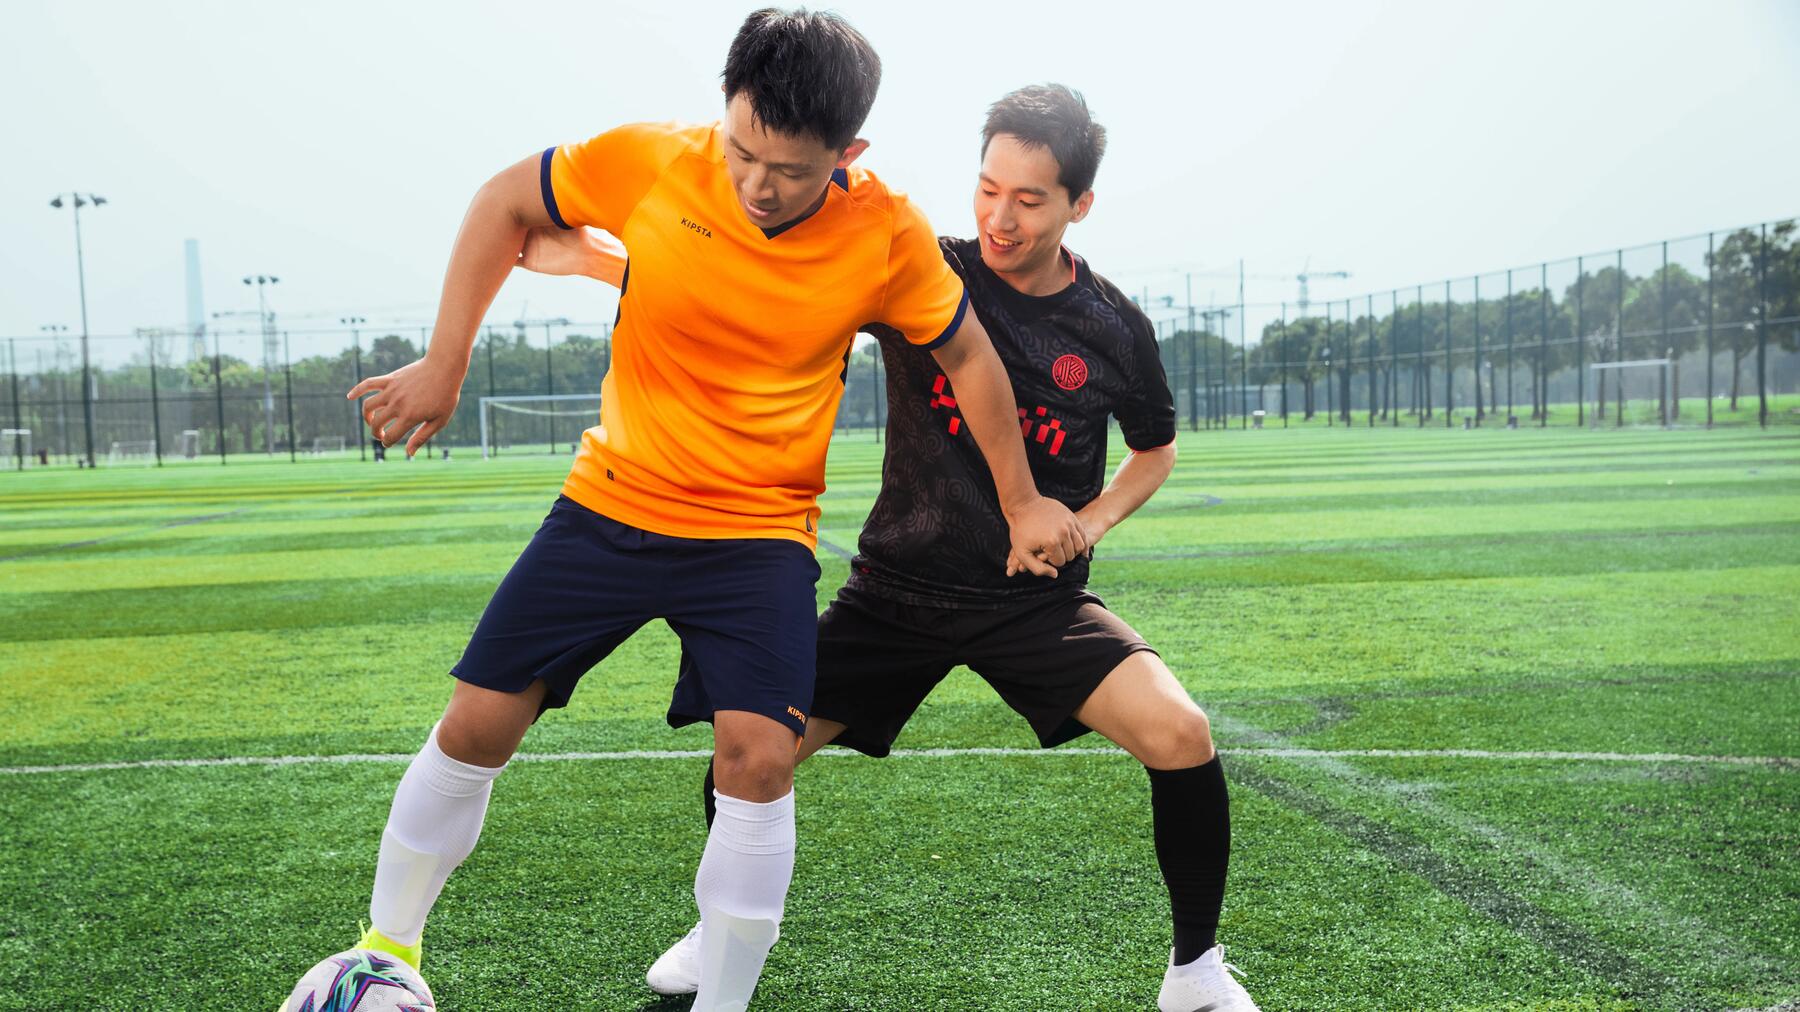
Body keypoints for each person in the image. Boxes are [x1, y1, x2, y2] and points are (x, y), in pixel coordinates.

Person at [333, 12, 1085, 1011]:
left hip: (756, 537)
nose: (757, 182)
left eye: (790, 168)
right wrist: (445, 362)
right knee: (477, 723)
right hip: (610, 505)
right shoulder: (651, 159)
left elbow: (967, 354)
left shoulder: (886, 232)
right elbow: (503, 201)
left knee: (761, 758)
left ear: (848, 154)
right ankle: (387, 953)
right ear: (720, 114)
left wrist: (1023, 498)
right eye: (741, 149)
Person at [541, 83, 1259, 1010]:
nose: (999, 216)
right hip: (895, 593)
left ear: (1080, 204)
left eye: (1030, 198)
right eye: (988, 187)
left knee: (1183, 734)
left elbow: (1154, 450)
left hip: (1030, 601)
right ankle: (715, 927)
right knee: (750, 751)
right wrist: (605, 265)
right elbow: (772, 289)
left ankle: (1196, 974)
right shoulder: (925, 265)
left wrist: (1093, 520)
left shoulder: (1114, 326)